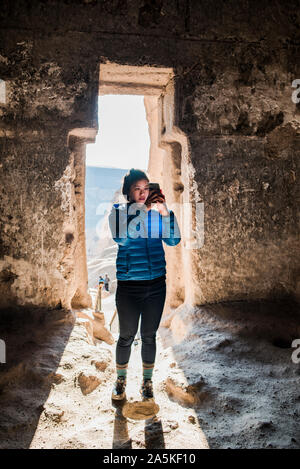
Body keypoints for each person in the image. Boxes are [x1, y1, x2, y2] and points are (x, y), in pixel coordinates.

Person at [108, 168, 181, 401]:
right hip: (129, 287)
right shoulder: (118, 213)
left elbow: (173, 239)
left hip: (156, 285)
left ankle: (147, 383)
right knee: (126, 336)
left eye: (146, 188)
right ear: (128, 192)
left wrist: (165, 212)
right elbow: (122, 239)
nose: (142, 193)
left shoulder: (157, 213)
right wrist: (144, 211)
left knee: (149, 336)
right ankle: (120, 380)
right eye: (137, 189)